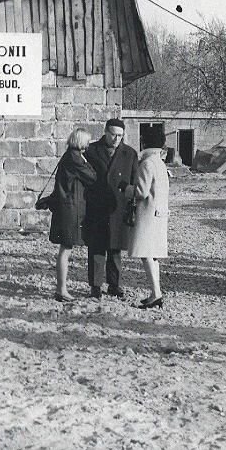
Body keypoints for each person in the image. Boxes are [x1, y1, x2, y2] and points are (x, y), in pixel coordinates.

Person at [83, 118, 138, 299]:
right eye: (113, 134)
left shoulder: (130, 154)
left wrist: (132, 203)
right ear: (106, 132)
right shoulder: (91, 150)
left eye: (120, 136)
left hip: (118, 207)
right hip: (96, 206)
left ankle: (115, 285)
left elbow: (134, 180)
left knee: (115, 249)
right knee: (96, 248)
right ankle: (96, 286)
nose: (116, 139)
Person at [124, 125, 169, 309]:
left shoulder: (147, 163)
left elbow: (141, 192)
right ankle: (155, 292)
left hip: (147, 214)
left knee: (146, 254)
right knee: (153, 255)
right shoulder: (160, 162)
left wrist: (126, 188)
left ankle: (156, 293)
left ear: (144, 142)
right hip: (159, 213)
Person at [49, 129, 97, 302]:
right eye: (87, 141)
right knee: (66, 248)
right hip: (70, 208)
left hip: (65, 207)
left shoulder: (68, 155)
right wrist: (88, 162)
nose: (89, 145)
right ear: (81, 142)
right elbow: (92, 177)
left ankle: (61, 288)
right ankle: (61, 290)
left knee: (65, 248)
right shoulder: (76, 158)